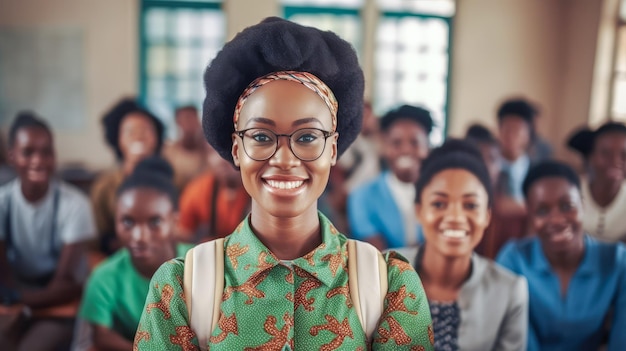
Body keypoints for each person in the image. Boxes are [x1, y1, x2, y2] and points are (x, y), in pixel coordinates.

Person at [134, 17, 434, 350]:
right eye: (261, 136)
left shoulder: (390, 286)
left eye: (307, 136)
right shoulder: (179, 288)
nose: (285, 159)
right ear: (237, 150)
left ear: (332, 150)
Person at [393, 139, 528, 350]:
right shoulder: (382, 270)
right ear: (419, 210)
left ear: (487, 215)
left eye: (470, 205)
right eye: (439, 203)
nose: (455, 216)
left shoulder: (510, 291)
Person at [496, 160, 626, 350]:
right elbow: (518, 340)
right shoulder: (514, 259)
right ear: (530, 215)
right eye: (542, 211)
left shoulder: (617, 261)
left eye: (567, 206)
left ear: (582, 205)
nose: (556, 220)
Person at [0, 112, 96, 350]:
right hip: (14, 302)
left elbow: (64, 284)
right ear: (12, 155)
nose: (38, 160)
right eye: (28, 152)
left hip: (58, 308)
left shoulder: (75, 205)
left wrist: (18, 300)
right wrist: (13, 303)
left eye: (46, 152)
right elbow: (4, 277)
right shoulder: (3, 204)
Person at [75, 156, 192, 351]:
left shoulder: (203, 265)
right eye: (128, 222)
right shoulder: (104, 276)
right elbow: (101, 336)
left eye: (155, 222)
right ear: (115, 222)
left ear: (175, 222)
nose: (139, 237)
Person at [348, 104, 432, 250]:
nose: (406, 150)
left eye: (415, 142)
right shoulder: (362, 196)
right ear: (385, 147)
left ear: (427, 147)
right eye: (396, 143)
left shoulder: (440, 195)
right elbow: (378, 256)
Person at [91, 98, 165, 255]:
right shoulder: (104, 187)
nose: (139, 137)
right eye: (130, 131)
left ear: (157, 137)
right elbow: (98, 240)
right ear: (118, 139)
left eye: (145, 131)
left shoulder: (173, 181)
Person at [465, 124, 528, 259]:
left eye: (492, 159)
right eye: (480, 159)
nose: (486, 165)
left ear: (500, 166)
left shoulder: (511, 210)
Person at [567, 121, 626, 242]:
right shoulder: (569, 191)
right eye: (606, 153)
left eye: (624, 155)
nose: (616, 161)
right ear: (591, 156)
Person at [178, 145, 250, 242]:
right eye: (213, 152)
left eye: (228, 151)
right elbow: (183, 235)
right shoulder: (198, 190)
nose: (220, 160)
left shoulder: (263, 190)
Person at [496, 98, 537, 205]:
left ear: (528, 135)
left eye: (517, 130)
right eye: (507, 129)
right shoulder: (488, 167)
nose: (511, 136)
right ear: (499, 131)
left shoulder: (537, 171)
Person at [163, 105, 211, 192]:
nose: (190, 123)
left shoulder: (208, 153)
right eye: (186, 119)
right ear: (177, 122)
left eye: (193, 118)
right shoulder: (168, 152)